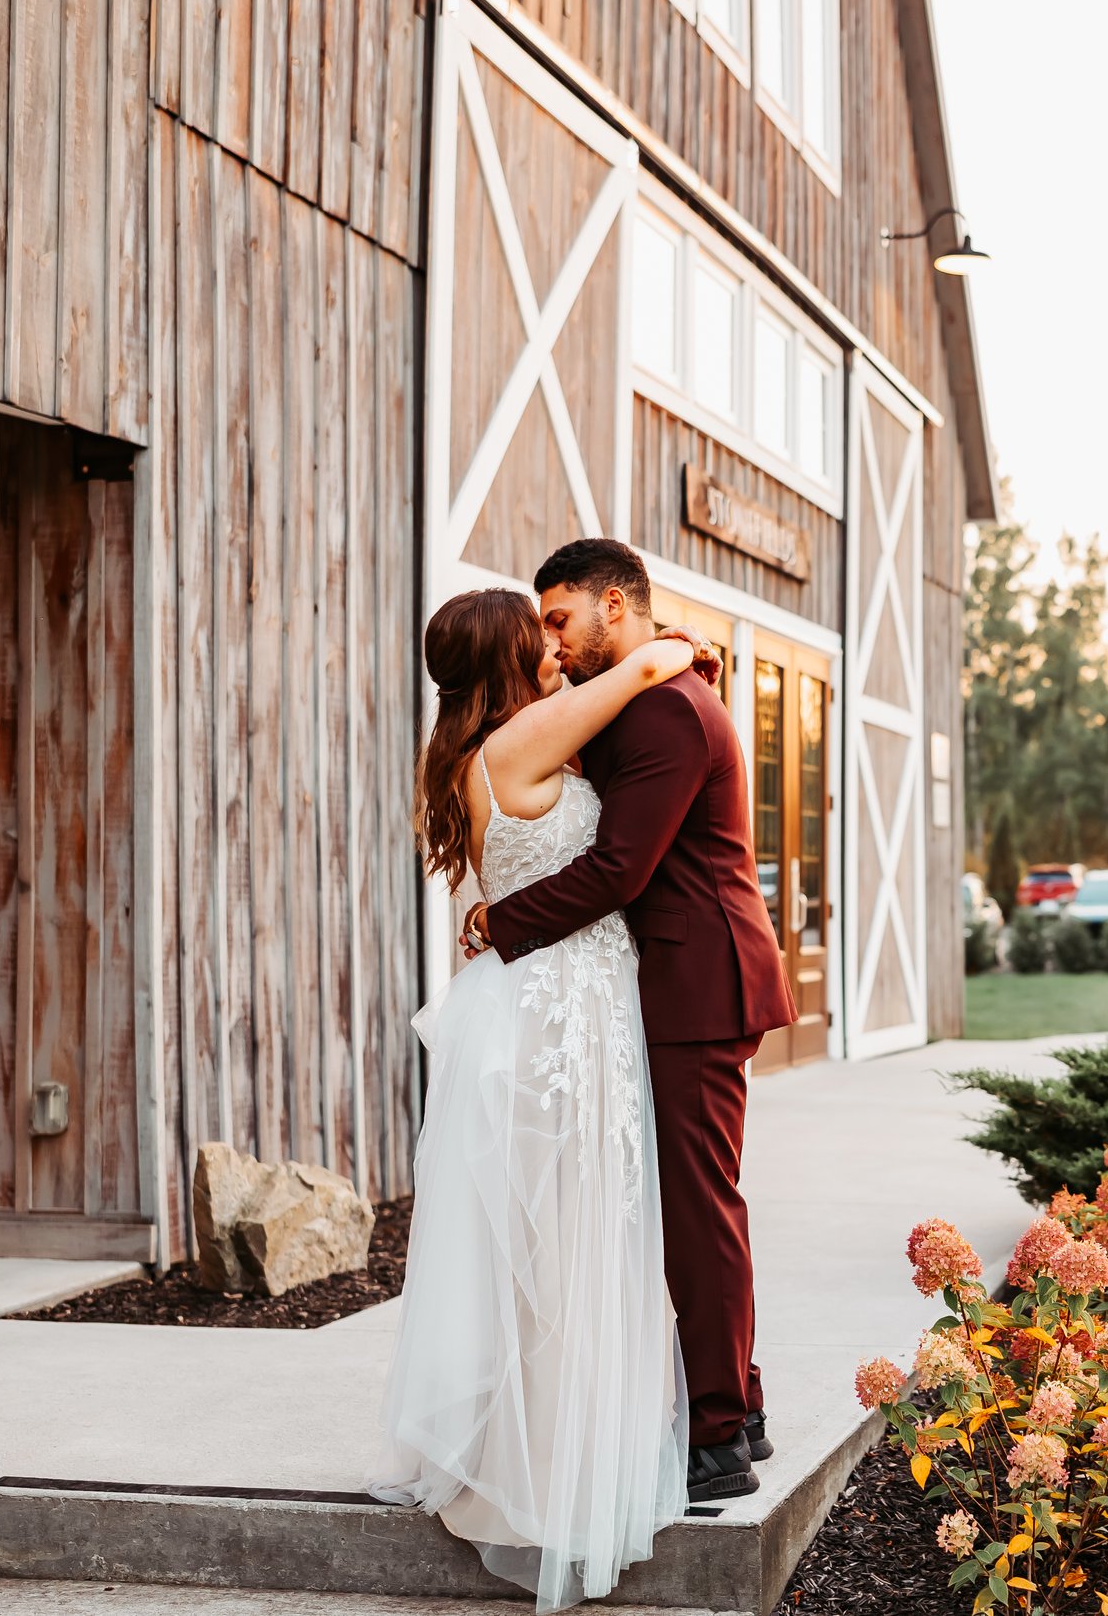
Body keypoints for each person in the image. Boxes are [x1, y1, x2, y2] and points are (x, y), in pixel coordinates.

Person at [369, 583, 719, 1610]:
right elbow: (651, 665)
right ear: (511, 656)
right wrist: (686, 641)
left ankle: (534, 1458)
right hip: (557, 1017)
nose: (560, 650)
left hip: (551, 1005)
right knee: (561, 1249)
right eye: (544, 635)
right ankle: (546, 1484)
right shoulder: (523, 736)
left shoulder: (483, 751)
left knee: (552, 1247)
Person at [465, 538, 798, 1508]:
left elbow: (621, 867)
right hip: (673, 982)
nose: (552, 644)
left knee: (696, 1211)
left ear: (617, 605)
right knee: (687, 1205)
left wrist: (499, 923)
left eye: (561, 619)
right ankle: (739, 1398)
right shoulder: (650, 689)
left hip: (700, 985)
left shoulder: (665, 708)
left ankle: (716, 1439)